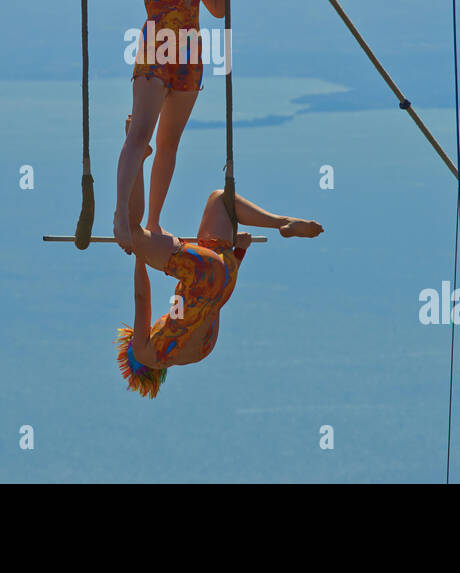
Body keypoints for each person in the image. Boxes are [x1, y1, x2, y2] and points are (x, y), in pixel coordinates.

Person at [72, 0, 236, 252]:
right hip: (156, 53)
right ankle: (118, 216)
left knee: (169, 144)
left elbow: (218, 7)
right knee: (140, 133)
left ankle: (154, 221)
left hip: (190, 59)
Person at [113, 116, 323, 398]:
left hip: (223, 274)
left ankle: (281, 222)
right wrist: (139, 254)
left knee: (223, 200)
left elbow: (214, 300)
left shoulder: (200, 352)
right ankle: (137, 156)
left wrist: (238, 253)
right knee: (133, 230)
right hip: (199, 272)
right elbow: (142, 300)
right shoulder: (145, 352)